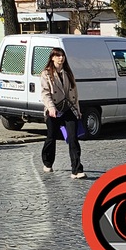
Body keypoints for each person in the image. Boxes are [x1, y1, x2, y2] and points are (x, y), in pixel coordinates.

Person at [40, 47, 86, 179]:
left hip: (68, 109)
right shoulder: (46, 74)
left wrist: (77, 110)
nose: (61, 58)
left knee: (73, 138)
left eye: (62, 56)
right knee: (51, 137)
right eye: (58, 56)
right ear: (52, 58)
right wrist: (51, 107)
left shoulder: (68, 73)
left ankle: (76, 170)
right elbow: (45, 93)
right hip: (53, 109)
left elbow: (74, 93)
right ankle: (47, 162)